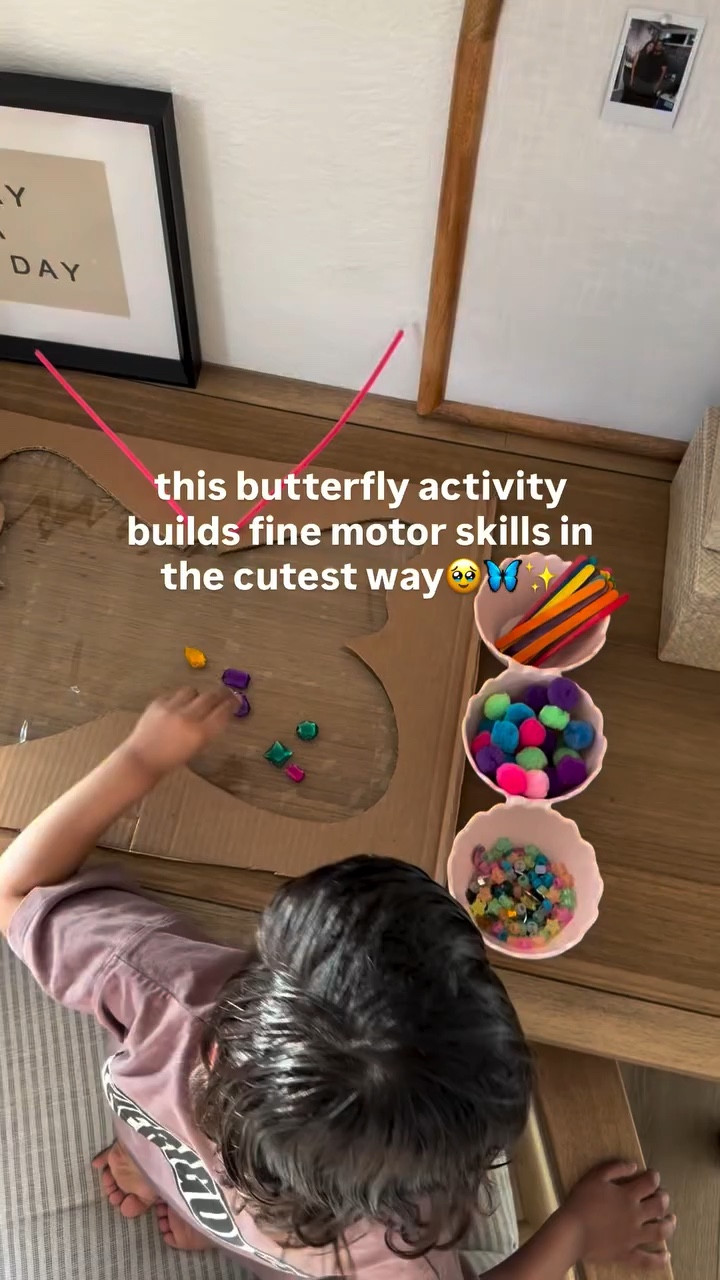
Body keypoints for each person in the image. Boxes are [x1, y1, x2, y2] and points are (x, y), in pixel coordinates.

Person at [0, 687, 676, 1278]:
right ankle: (199, 1206)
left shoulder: (164, 992)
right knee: (236, 1211)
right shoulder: (395, 1250)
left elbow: (14, 889)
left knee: (195, 1176)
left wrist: (140, 759)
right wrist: (573, 1233)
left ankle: (183, 1193)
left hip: (169, 1149)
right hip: (283, 1247)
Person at [623, 38, 668, 108]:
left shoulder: (651, 56)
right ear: (646, 45)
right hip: (636, 78)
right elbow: (633, 67)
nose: (651, 48)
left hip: (644, 81)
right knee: (630, 96)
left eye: (652, 47)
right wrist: (631, 79)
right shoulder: (639, 53)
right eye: (650, 46)